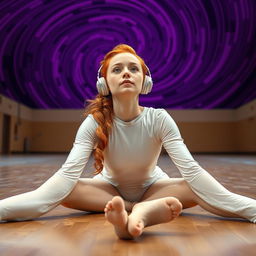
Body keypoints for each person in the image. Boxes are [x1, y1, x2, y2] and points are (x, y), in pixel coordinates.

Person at [0, 44, 255, 239]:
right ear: (105, 83)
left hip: (156, 187)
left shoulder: (159, 118)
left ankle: (137, 211)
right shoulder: (94, 122)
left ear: (145, 81)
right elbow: (65, 178)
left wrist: (249, 209)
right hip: (107, 191)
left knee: (194, 186)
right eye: (117, 69)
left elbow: (191, 169)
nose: (126, 74)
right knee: (66, 191)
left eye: (134, 69)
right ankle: (142, 211)